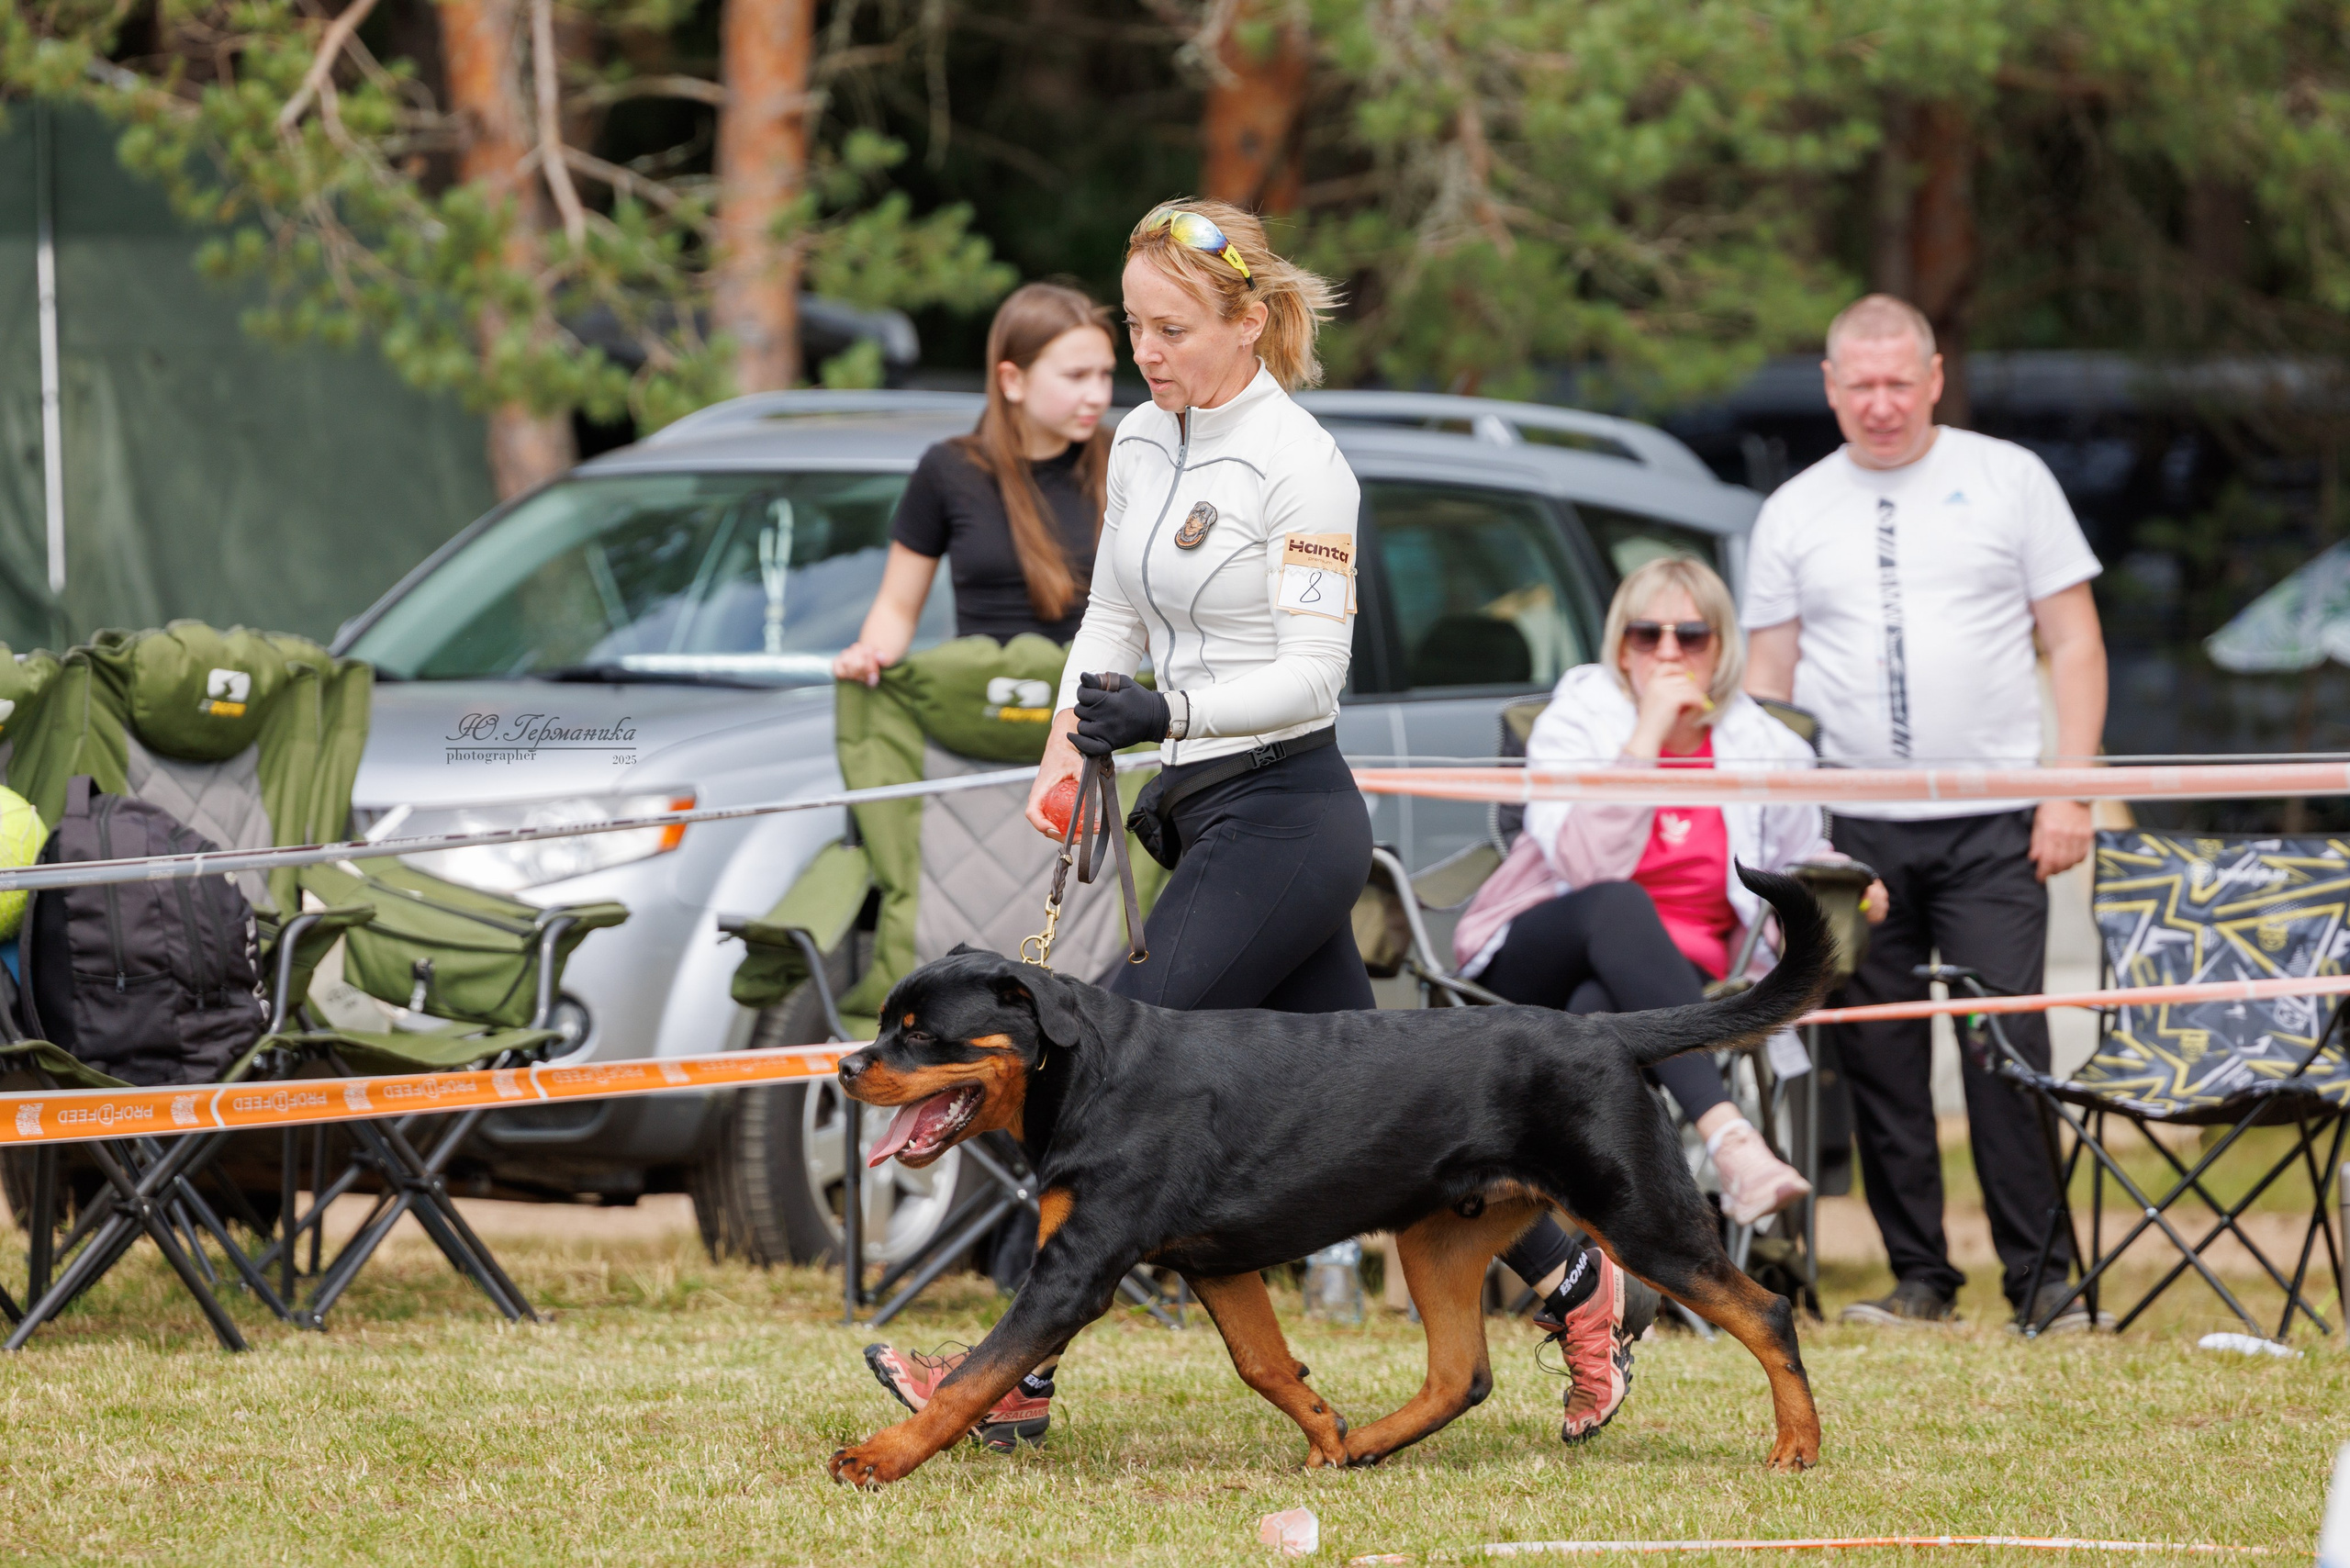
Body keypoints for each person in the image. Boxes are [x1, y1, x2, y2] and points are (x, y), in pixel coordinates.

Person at [863, 198, 1376, 1450]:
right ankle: (1584, 1288)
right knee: (1395, 1105)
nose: (1148, 354)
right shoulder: (1144, 439)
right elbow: (1111, 619)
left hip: (1287, 810)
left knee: (1093, 1076)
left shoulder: (1305, 463)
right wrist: (1065, 743)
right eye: (1135, 326)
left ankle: (1012, 1379)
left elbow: (1315, 677)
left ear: (1251, 320)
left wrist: (1167, 708)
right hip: (1196, 810)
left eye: (1174, 329)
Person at [1450, 553, 1887, 1439]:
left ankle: (1594, 1286)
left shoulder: (1766, 743)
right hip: (1530, 955)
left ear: (1723, 645)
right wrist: (1646, 735)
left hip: (1674, 988)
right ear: (1619, 643)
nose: (1668, 651)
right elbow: (1586, 866)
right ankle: (1731, 1142)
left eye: (1690, 634)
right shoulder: (1579, 718)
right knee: (1615, 913)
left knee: (1603, 992)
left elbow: (1804, 860)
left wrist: (1851, 883)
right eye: (1646, 634)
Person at [1741, 293, 2109, 1332]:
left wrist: (2067, 786)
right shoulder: (1795, 508)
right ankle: (1920, 1281)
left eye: (1900, 381)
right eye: (1860, 384)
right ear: (1829, 387)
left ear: (1935, 376)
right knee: (1879, 1053)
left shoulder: (2009, 478)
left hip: (1995, 815)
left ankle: (2044, 1283)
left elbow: (2072, 641)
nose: (1882, 403)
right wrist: (1782, 839)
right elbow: (1769, 685)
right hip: (1852, 827)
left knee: (2005, 1047)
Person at [831, 283, 1115, 684]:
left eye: (1105, 374)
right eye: (1077, 376)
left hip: (1099, 718)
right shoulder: (949, 469)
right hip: (982, 717)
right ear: (1012, 380)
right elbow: (897, 606)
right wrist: (870, 659)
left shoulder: (1129, 457)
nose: (1098, 395)